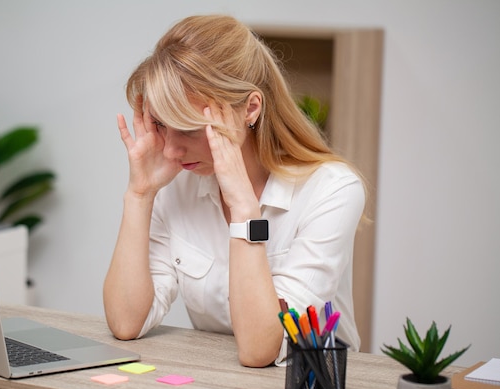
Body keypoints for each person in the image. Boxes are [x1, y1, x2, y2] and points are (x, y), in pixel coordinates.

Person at [103, 14, 365, 368]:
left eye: (190, 129)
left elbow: (261, 349)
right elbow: (125, 322)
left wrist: (244, 207)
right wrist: (140, 194)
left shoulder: (332, 190)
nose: (170, 151)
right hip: (221, 384)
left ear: (250, 109)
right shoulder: (178, 181)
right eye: (163, 126)